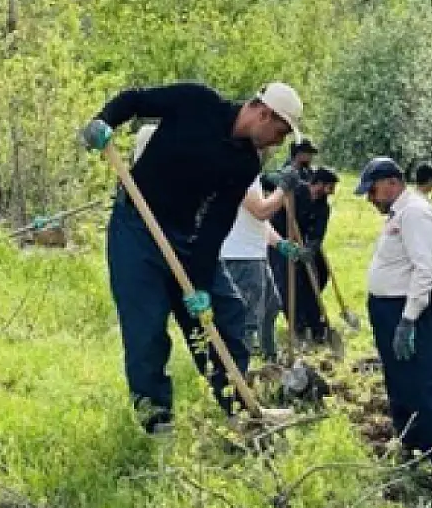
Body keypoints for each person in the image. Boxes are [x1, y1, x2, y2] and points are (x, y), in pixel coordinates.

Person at [79, 81, 302, 433]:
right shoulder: (197, 102)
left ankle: (239, 407)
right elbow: (135, 101)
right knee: (147, 326)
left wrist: (199, 284)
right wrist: (104, 121)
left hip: (185, 238)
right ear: (264, 113)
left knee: (227, 311)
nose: (280, 141)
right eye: (281, 130)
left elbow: (216, 223)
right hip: (136, 226)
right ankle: (156, 419)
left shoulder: (245, 162)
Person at [357, 156, 432, 499]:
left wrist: (408, 319)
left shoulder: (416, 212)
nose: (370, 199)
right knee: (401, 381)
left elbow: (426, 270)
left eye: (373, 191)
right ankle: (412, 445)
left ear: (391, 182)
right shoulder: (397, 213)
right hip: (390, 309)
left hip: (413, 312)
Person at [219, 174, 296, 362]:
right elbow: (261, 212)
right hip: (241, 258)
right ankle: (239, 375)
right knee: (245, 321)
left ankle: (269, 356)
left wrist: (280, 244)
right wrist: (283, 189)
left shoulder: (252, 175)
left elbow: (257, 223)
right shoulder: (240, 171)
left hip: (255, 255)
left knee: (271, 306)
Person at [270, 167, 338, 343]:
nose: (332, 192)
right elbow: (267, 179)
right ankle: (297, 324)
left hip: (302, 245)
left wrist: (310, 250)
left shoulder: (323, 207)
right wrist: (282, 180)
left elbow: (317, 234)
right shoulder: (295, 190)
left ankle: (314, 321)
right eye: (330, 187)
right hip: (279, 242)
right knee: (287, 281)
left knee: (318, 274)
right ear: (319, 184)